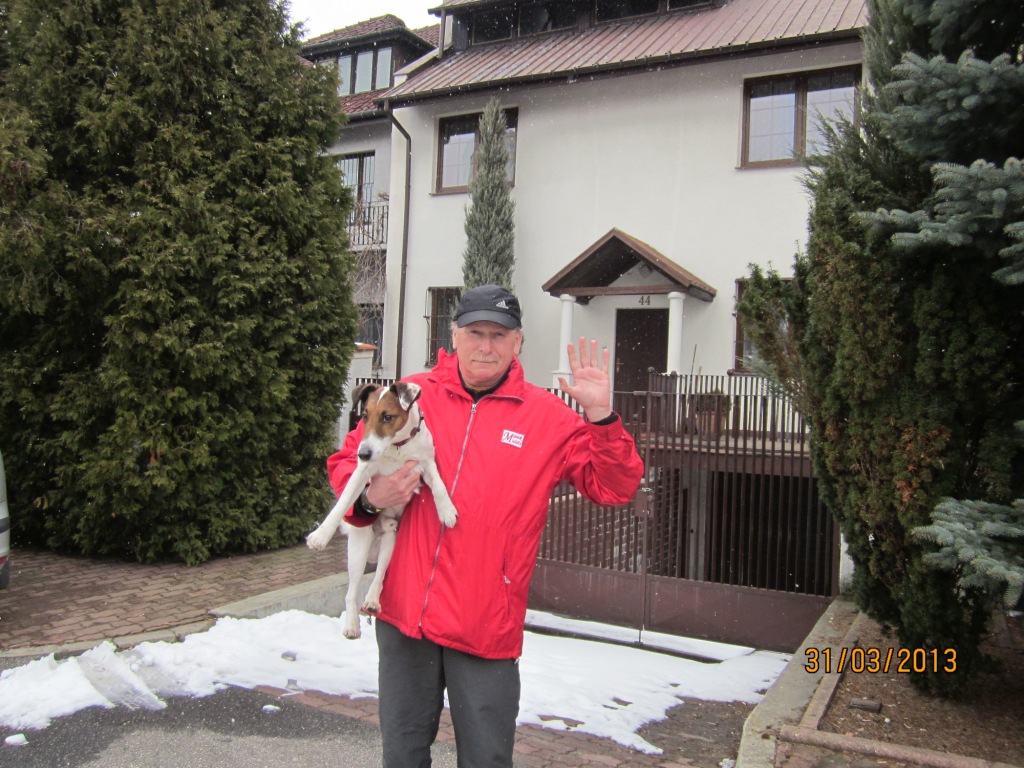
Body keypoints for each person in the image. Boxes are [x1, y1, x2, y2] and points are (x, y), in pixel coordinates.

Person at [326, 284, 645, 768]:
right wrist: (371, 499)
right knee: (402, 756)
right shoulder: (411, 396)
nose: (486, 346)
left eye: (499, 335)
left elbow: (614, 486)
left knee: (486, 760)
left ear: (518, 342)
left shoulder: (548, 418)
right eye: (475, 332)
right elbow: (347, 461)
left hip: (484, 622)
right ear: (454, 335)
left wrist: (601, 417)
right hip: (404, 613)